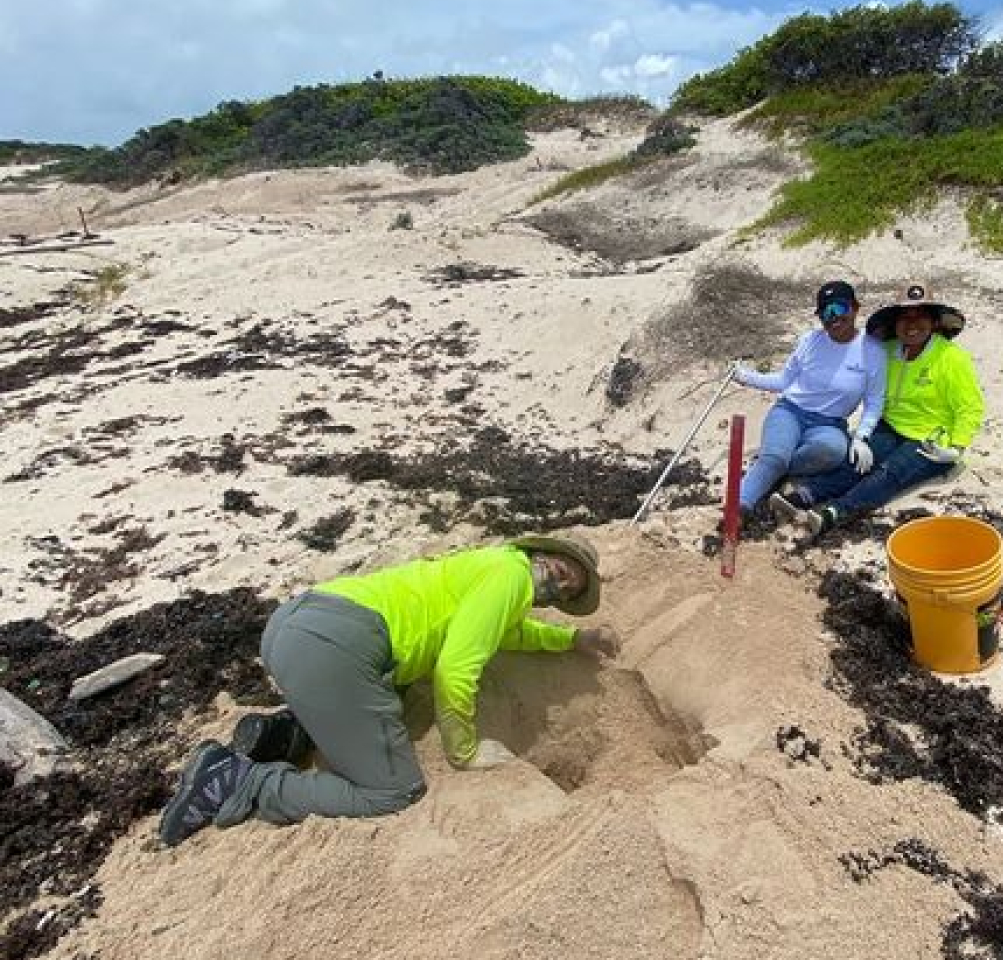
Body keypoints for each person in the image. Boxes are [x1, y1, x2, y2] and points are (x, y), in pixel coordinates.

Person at [158, 534, 619, 847]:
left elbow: (507, 633)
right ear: (542, 553)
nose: (559, 583)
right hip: (335, 649)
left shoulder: (492, 567)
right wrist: (465, 752)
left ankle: (289, 734)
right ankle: (244, 781)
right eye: (563, 569)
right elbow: (455, 671)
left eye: (565, 589)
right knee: (393, 792)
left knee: (392, 696)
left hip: (294, 626)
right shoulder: (512, 577)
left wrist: (573, 639)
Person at [769, 282, 984, 536]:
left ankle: (836, 512)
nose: (912, 323)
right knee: (856, 461)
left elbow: (970, 408)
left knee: (890, 472)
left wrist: (955, 448)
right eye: (905, 317)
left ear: (934, 321)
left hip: (931, 441)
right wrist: (861, 435)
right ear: (895, 323)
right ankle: (807, 495)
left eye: (921, 315)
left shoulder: (952, 357)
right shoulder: (888, 350)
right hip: (890, 426)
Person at [730, 280, 886, 525]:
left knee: (834, 451)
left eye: (839, 308)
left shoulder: (873, 350)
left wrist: (861, 436)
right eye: (825, 312)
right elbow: (783, 381)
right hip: (789, 412)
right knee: (775, 458)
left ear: (855, 308)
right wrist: (745, 377)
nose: (833, 318)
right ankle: (740, 506)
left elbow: (875, 402)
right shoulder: (809, 341)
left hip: (830, 425)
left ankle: (772, 465)